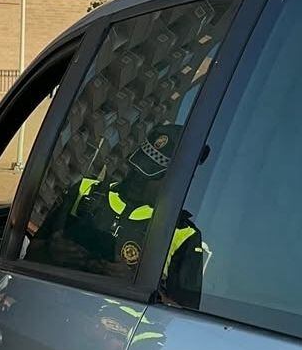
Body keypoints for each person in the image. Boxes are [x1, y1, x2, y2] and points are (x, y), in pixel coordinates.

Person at [27, 124, 204, 305]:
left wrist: (133, 283)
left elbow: (185, 315)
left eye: (149, 175)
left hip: (127, 328)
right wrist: (52, 251)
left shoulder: (182, 234)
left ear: (175, 181)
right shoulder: (84, 192)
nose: (137, 179)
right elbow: (29, 254)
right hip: (61, 305)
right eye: (136, 169)